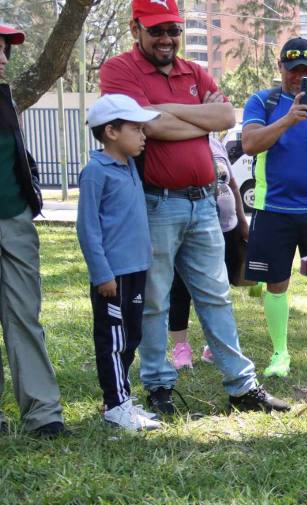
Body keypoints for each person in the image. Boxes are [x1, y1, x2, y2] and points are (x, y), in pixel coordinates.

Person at [99, 0, 290, 415]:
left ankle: (242, 388)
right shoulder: (119, 70)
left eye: (173, 30)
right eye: (156, 30)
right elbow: (145, 127)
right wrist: (186, 120)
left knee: (217, 297)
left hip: (204, 202)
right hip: (155, 203)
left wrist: (164, 111)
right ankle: (159, 385)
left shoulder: (193, 71)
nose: (167, 39)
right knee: (155, 300)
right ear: (135, 29)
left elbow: (225, 116)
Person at [240, 37, 307, 378]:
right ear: (281, 69)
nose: (298, 78)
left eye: (306, 72)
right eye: (292, 71)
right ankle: (280, 355)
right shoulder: (263, 101)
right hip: (272, 209)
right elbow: (250, 144)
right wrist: (287, 119)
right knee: (276, 283)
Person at [77, 94, 163, 431]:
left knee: (131, 336)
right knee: (112, 340)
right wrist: (102, 274)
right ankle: (116, 404)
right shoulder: (96, 172)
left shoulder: (129, 166)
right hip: (113, 276)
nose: (144, 135)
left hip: (136, 271)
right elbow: (88, 229)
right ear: (111, 132)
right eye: (137, 129)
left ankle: (121, 398)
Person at [0, 24, 68, 437]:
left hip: (14, 221)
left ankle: (43, 416)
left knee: (25, 316)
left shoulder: (6, 98)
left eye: (5, 49)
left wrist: (29, 203)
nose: (4, 57)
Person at [167, 134, 250, 369]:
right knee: (180, 289)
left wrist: (242, 221)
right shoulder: (179, 141)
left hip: (227, 227)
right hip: (193, 228)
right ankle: (180, 348)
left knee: (218, 288)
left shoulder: (216, 143)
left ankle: (213, 346)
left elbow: (232, 184)